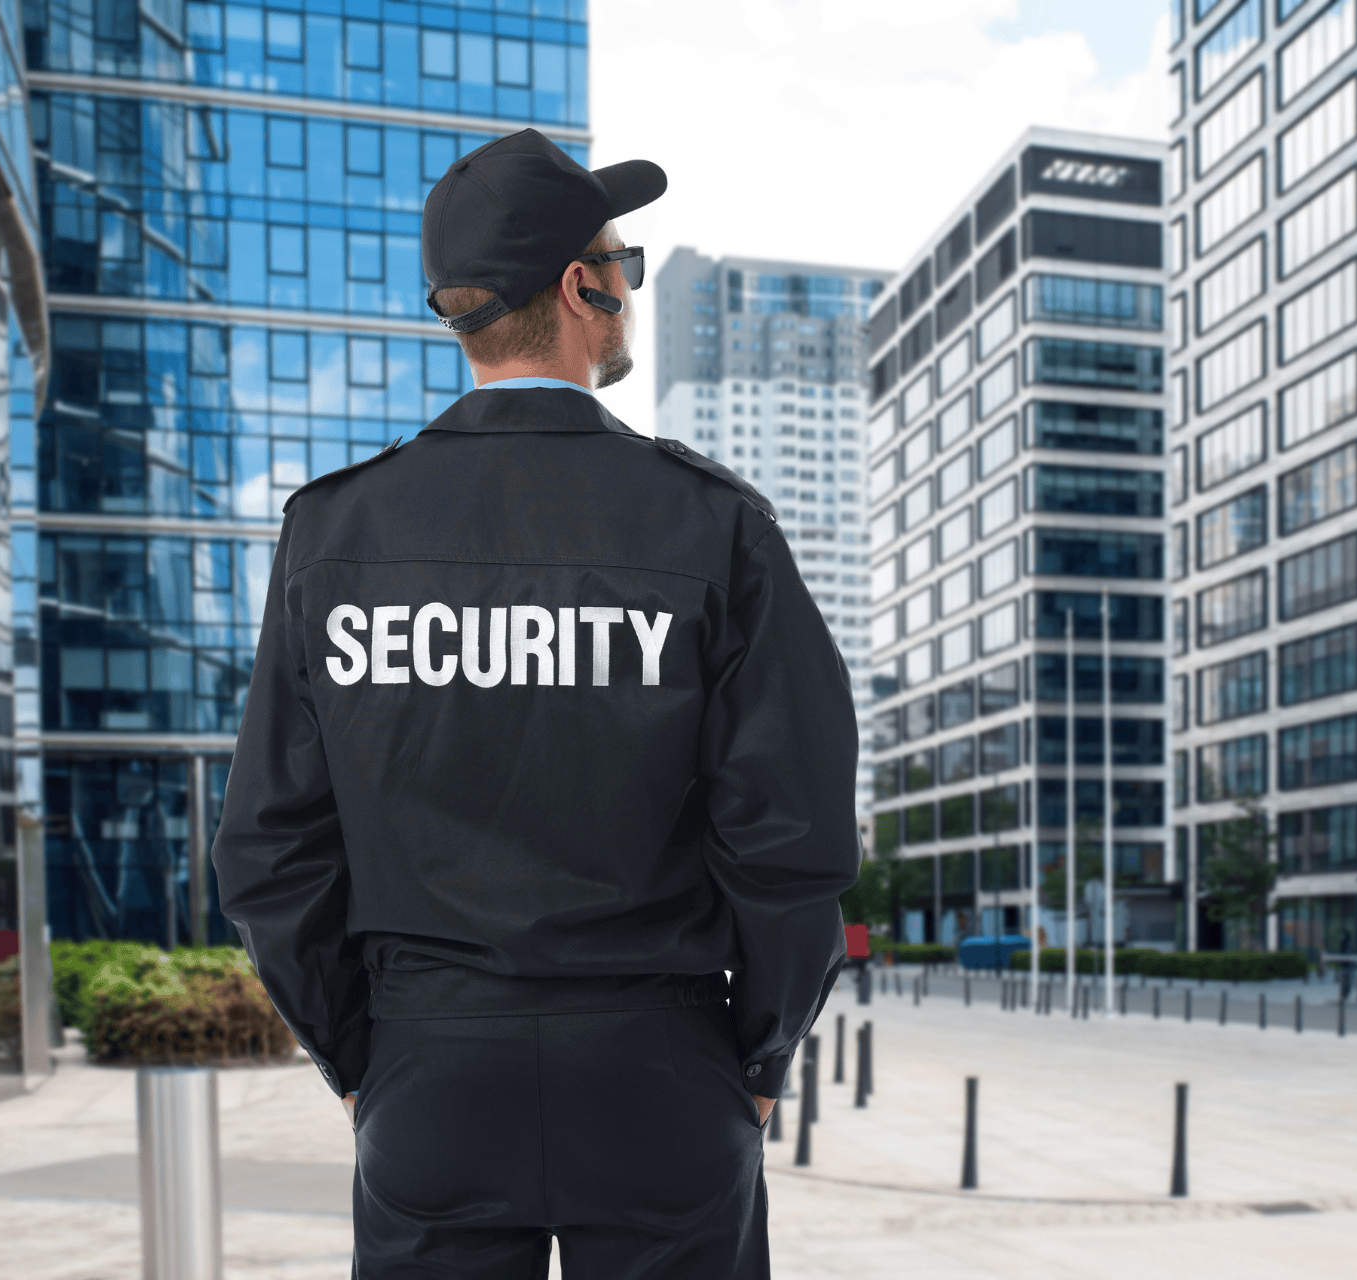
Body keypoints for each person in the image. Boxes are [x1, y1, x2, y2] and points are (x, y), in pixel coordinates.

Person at [212, 128, 859, 1279]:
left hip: (429, 1060)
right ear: (580, 286)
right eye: (626, 265)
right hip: (659, 1060)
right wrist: (758, 1055)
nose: (627, 288)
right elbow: (791, 837)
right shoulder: (713, 525)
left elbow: (270, 847)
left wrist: (361, 1052)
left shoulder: (334, 534)